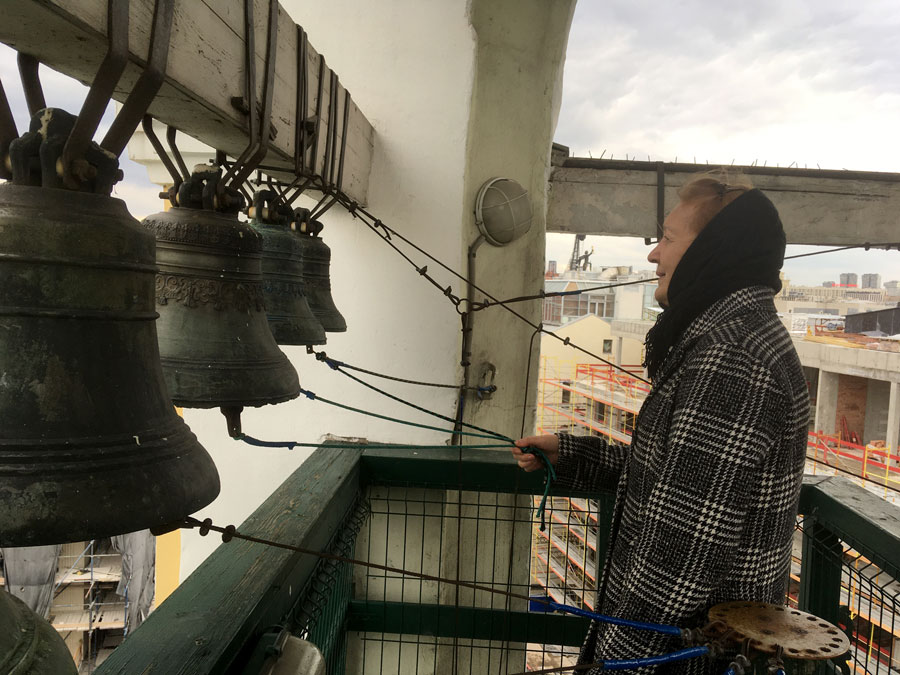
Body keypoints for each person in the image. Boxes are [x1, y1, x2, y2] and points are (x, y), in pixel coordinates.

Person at [512, 174, 809, 674]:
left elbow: (679, 557)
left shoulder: (732, 359)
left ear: (711, 252)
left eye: (668, 238)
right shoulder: (733, 339)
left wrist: (613, 666)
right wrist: (577, 456)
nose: (654, 255)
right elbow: (681, 480)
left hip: (683, 659)